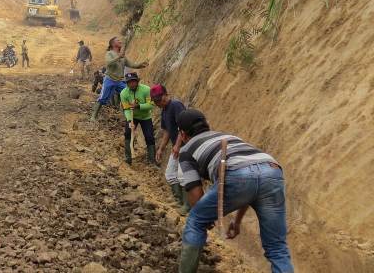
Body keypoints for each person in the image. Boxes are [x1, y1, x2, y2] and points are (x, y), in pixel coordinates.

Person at [176, 109, 293, 273]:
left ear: (182, 134)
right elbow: (251, 183)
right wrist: (237, 222)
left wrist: (205, 218)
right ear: (206, 125)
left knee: (195, 222)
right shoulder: (228, 137)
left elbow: (195, 194)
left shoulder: (186, 151)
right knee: (277, 247)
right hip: (272, 170)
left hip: (236, 174)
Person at [151, 84, 189, 214]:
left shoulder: (176, 105)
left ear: (165, 95)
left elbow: (182, 128)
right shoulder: (165, 110)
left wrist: (178, 145)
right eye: (156, 101)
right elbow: (167, 131)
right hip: (176, 146)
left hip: (186, 146)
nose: (158, 103)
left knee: (182, 175)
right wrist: (161, 149)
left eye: (159, 99)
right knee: (170, 174)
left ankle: (186, 205)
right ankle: (178, 200)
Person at [90, 36, 148, 121]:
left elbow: (132, 65)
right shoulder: (109, 53)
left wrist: (140, 65)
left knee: (129, 96)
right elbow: (108, 63)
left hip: (120, 80)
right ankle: (93, 116)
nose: (120, 41)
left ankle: (128, 117)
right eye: (118, 40)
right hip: (109, 79)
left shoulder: (122, 56)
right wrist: (118, 57)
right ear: (113, 44)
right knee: (102, 98)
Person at [119, 72, 155, 165]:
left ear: (137, 81)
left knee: (149, 136)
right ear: (126, 83)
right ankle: (128, 157)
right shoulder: (124, 93)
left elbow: (151, 105)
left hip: (145, 117)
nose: (132, 84)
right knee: (127, 133)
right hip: (132, 117)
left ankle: (151, 160)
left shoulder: (146, 90)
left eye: (133, 81)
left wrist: (139, 106)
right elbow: (126, 109)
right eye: (129, 82)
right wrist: (129, 120)